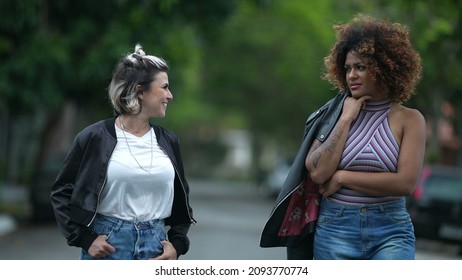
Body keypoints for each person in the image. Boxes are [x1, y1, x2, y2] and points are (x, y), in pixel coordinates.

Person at [50, 44, 195, 260]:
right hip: (108, 245)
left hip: (156, 246)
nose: (170, 95)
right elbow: (62, 191)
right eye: (164, 87)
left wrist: (177, 243)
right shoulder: (94, 137)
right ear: (140, 91)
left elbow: (183, 195)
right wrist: (85, 239)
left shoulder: (168, 141)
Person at [304, 14, 426, 259]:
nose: (352, 75)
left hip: (391, 230)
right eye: (348, 68)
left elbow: (405, 184)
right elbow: (317, 172)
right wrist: (347, 118)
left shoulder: (410, 120)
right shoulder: (334, 114)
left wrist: (343, 177)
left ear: (384, 68)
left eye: (360, 67)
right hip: (335, 228)